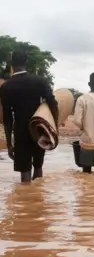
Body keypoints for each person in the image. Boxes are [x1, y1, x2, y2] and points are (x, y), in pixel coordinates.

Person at [0, 50, 59, 183]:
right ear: (26, 62)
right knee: (38, 167)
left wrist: (9, 143)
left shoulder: (6, 87)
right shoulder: (39, 81)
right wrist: (54, 127)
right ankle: (38, 199)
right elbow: (52, 103)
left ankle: (26, 199)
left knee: (24, 172)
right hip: (39, 128)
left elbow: (7, 118)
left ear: (12, 64)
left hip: (20, 131)